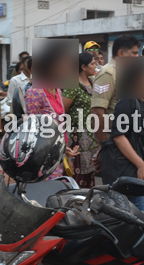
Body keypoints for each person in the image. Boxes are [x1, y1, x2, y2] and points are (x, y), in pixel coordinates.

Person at [108, 60, 144, 211]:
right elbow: (119, 136)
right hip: (132, 168)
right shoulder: (127, 101)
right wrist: (141, 165)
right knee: (140, 218)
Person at [91, 35, 140, 152]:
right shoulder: (108, 74)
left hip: (129, 138)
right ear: (121, 53)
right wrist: (103, 146)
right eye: (134, 53)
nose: (138, 57)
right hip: (114, 141)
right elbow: (97, 112)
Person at [62, 53, 99, 188]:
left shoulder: (92, 82)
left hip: (91, 135)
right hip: (77, 135)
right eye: (93, 64)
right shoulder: (73, 85)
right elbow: (63, 111)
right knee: (77, 173)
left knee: (90, 173)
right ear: (83, 66)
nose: (96, 66)